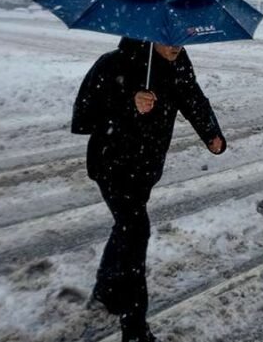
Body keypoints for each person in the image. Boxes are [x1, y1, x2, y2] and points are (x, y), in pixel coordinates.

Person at [72, 37, 226, 342]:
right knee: (136, 230)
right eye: (168, 40)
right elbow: (84, 116)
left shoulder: (178, 62)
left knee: (126, 228)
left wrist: (211, 134)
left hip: (145, 168)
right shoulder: (113, 63)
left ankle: (106, 287)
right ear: (149, 35)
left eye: (182, 40)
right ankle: (134, 327)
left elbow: (192, 97)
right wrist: (129, 102)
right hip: (112, 165)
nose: (176, 47)